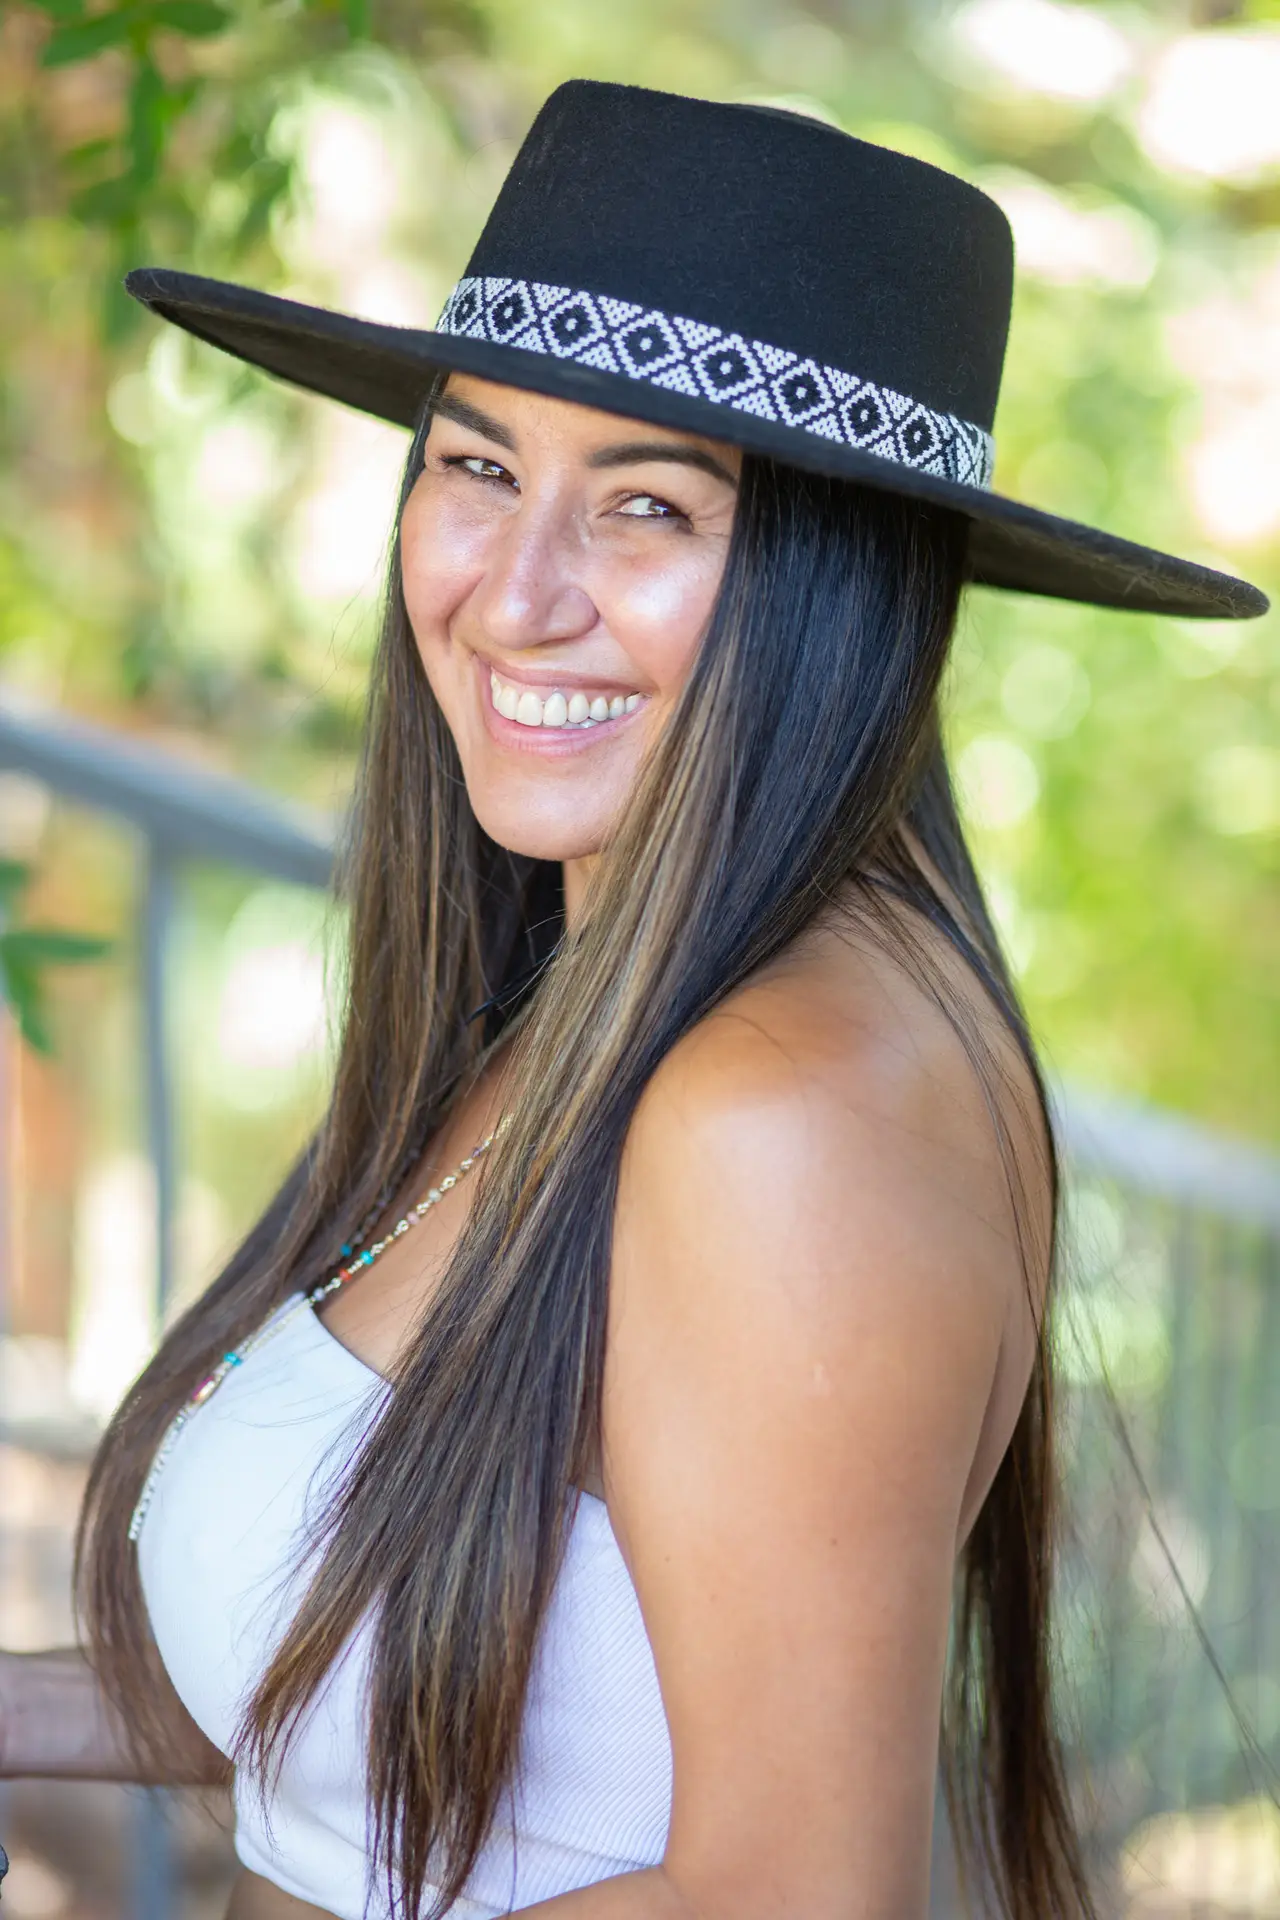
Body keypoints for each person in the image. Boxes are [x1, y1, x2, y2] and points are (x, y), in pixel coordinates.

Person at [0, 79, 1265, 1920]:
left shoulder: (784, 1109)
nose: (515, 596)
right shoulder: (595, 998)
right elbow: (411, 1699)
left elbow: (786, 1899)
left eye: (648, 507)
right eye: (477, 467)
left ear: (840, 586)